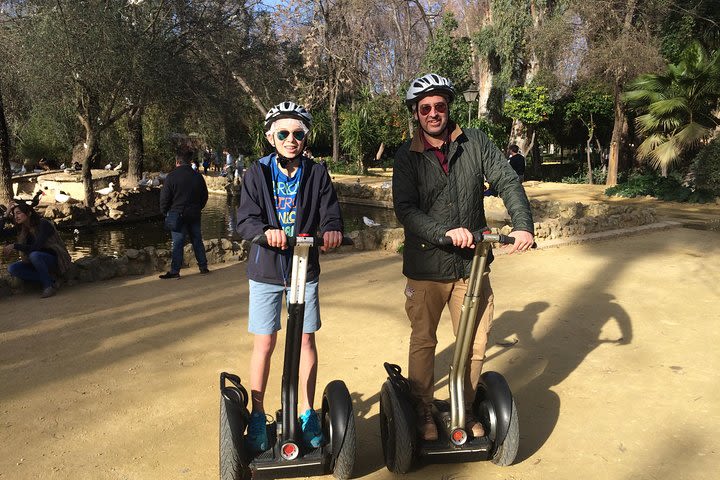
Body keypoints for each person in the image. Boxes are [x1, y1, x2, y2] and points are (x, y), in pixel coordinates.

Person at [392, 73, 535, 442]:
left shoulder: (476, 141)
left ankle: (463, 406)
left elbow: (506, 180)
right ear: (416, 113)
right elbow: (405, 209)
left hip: (470, 267)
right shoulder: (406, 157)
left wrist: (523, 224)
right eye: (425, 108)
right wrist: (444, 233)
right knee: (424, 340)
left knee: (474, 343)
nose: (433, 113)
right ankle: (423, 408)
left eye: (439, 106)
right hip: (426, 267)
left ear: (448, 107)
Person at [236, 101, 343, 453]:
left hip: (304, 266)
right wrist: (266, 232)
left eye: (297, 133)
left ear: (305, 137)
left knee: (306, 340)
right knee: (265, 342)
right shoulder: (256, 173)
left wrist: (331, 231)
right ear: (271, 137)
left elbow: (331, 214)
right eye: (283, 133)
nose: (291, 139)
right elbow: (245, 220)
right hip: (266, 268)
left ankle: (307, 411)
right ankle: (257, 412)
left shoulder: (317, 173)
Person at [158, 144, 210, 279]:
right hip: (194, 213)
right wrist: (198, 207)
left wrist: (165, 212)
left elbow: (164, 198)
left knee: (178, 243)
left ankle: (175, 271)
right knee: (197, 240)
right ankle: (203, 266)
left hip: (177, 213)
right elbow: (204, 196)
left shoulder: (171, 177)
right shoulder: (197, 176)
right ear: (189, 162)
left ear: (177, 162)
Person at [1, 201, 72, 298]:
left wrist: (15, 246)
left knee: (34, 255)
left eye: (18, 213)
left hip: (55, 260)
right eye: (14, 214)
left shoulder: (43, 223)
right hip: (34, 261)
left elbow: (36, 247)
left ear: (29, 213)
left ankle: (48, 287)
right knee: (12, 268)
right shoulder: (21, 228)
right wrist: (6, 213)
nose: (15, 216)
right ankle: (52, 280)